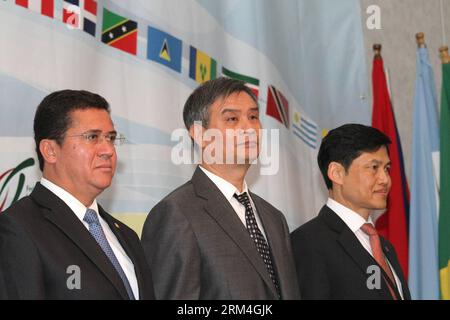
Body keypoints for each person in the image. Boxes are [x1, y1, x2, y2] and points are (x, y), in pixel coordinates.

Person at [141, 77, 300, 299]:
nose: (249, 128)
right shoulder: (177, 213)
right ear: (199, 134)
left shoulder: (274, 218)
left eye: (253, 117)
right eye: (232, 119)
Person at [0, 90, 155, 300]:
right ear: (50, 150)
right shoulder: (19, 228)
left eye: (110, 138)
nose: (108, 150)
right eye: (92, 137)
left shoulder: (127, 236)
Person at [291, 123, 411, 300]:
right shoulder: (308, 242)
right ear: (337, 173)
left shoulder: (385, 247)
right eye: (373, 167)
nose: (385, 179)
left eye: (387, 168)